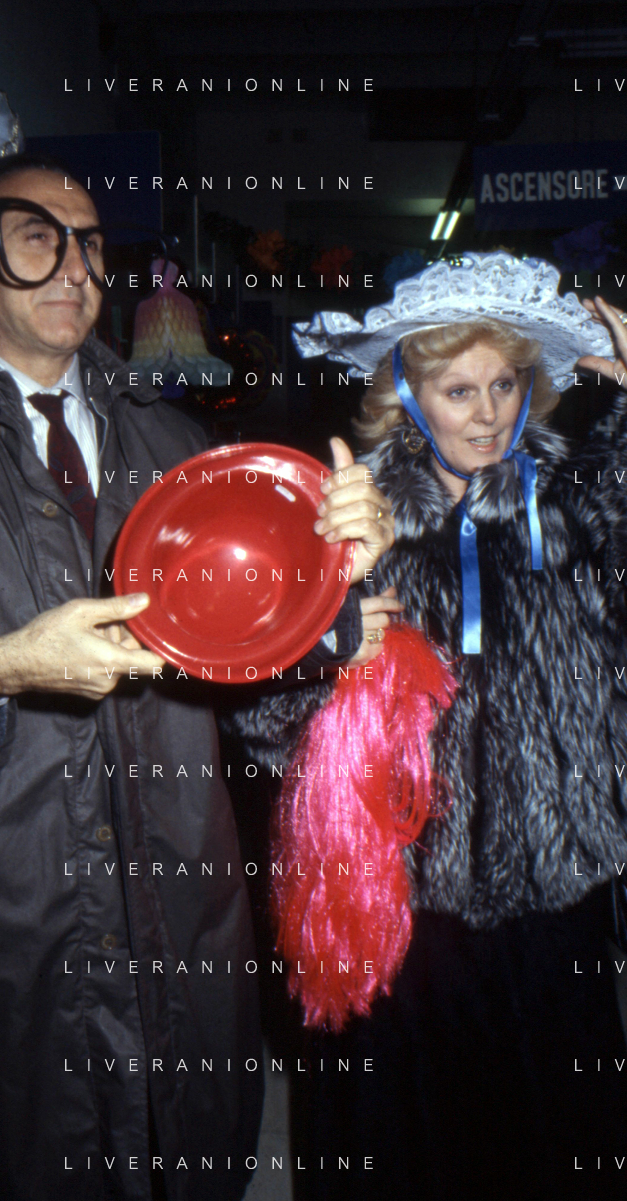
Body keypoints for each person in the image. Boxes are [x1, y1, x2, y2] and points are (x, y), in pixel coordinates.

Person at [0, 153, 393, 1201]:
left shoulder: (175, 440)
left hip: (178, 890)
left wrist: (334, 601)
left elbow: (237, 673)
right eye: (37, 239)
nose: (75, 267)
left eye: (91, 243)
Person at [233, 253, 627, 1200]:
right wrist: (332, 632)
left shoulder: (570, 506)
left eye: (505, 384)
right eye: (460, 390)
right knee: (413, 1154)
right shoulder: (346, 516)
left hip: (555, 896)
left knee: (554, 1145)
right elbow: (262, 725)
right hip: (405, 914)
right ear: (408, 394)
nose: (489, 414)